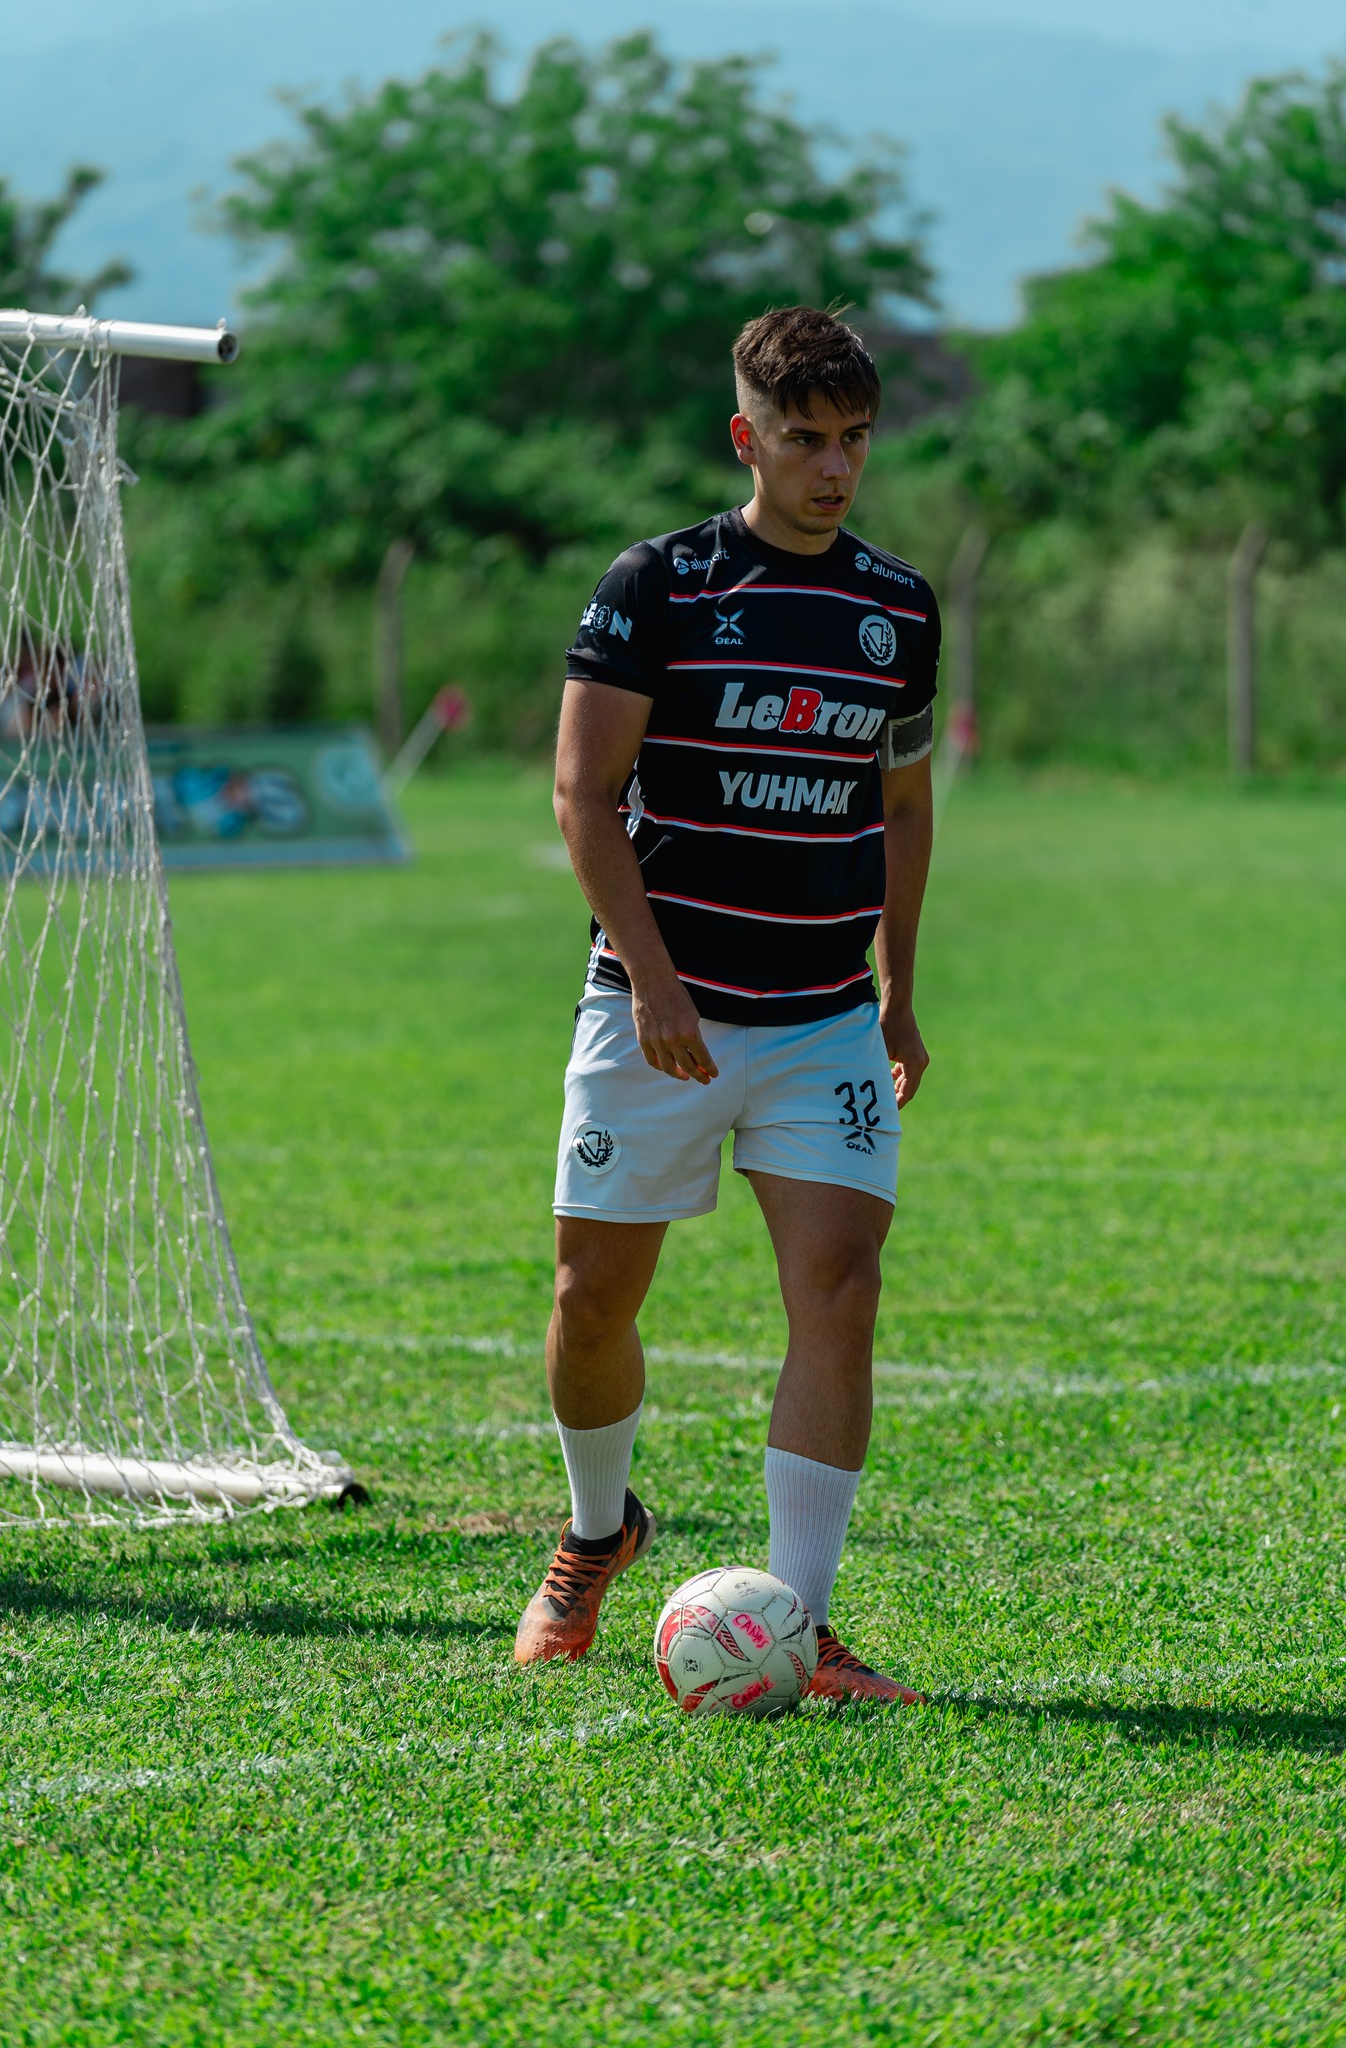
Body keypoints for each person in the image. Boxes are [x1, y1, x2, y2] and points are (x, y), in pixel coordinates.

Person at [516, 306, 939, 1703]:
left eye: (854, 439)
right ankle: (595, 1534)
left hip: (822, 1017)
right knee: (589, 1303)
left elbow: (900, 805)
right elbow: (582, 797)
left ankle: (799, 1627)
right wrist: (649, 979)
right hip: (658, 1011)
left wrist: (898, 994)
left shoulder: (898, 609)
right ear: (745, 437)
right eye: (805, 440)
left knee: (839, 1291)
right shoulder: (659, 586)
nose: (833, 468)